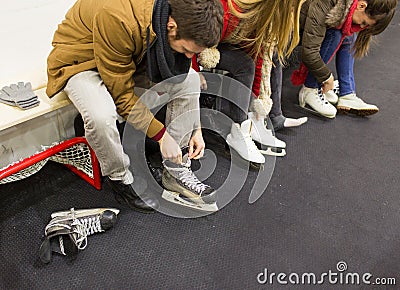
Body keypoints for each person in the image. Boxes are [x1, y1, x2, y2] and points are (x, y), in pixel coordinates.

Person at [46, 0, 224, 213]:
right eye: (186, 50)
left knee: (191, 80)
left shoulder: (170, 15)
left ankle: (175, 169)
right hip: (82, 61)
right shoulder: (117, 16)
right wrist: (161, 136)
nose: (188, 56)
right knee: (100, 116)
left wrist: (197, 128)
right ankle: (121, 179)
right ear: (172, 26)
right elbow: (122, 95)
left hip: (125, 57)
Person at [192, 0, 306, 160]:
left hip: (221, 38)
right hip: (201, 43)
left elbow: (259, 57)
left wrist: (256, 103)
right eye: (293, 8)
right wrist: (194, 71)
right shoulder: (232, 10)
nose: (294, 13)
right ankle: (239, 130)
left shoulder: (262, 19)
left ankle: (249, 124)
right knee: (245, 66)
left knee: (263, 60)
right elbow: (193, 36)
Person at [292, 0, 397, 118]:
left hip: (308, 29)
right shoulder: (326, 3)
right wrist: (327, 78)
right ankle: (310, 89)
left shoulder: (349, 7)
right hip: (291, 30)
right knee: (336, 35)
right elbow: (309, 52)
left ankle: (347, 93)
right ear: (361, 6)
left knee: (349, 35)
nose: (362, 27)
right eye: (363, 22)